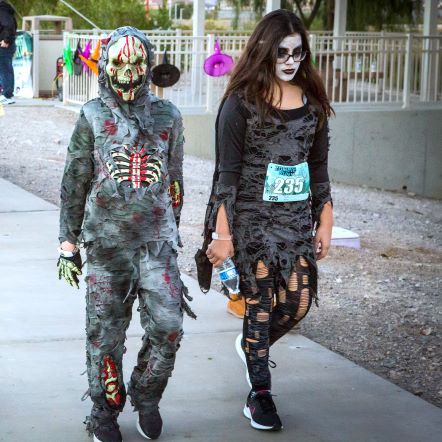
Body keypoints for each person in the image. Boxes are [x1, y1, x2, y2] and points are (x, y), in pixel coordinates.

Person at [57, 27, 194, 442]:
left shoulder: (169, 116)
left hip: (156, 245)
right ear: (106, 66)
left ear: (148, 64)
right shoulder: (92, 115)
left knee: (169, 326)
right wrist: (67, 241)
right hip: (106, 246)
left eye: (136, 62)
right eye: (119, 62)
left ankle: (146, 395)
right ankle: (105, 411)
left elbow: (174, 180)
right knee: (104, 334)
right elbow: (75, 178)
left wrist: (168, 227)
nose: (128, 71)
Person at [199, 9, 334, 431]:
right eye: (282, 53)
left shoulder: (312, 109)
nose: (291, 61)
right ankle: (260, 394)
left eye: (298, 53)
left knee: (297, 302)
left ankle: (250, 345)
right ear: (264, 51)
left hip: (294, 224)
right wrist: (223, 235)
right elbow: (227, 176)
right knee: (258, 304)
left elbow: (319, 170)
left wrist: (324, 222)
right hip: (251, 220)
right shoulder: (240, 105)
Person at [0, 0, 16, 104]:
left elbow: (9, 26)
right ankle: (6, 94)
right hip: (4, 44)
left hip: (4, 45)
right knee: (4, 69)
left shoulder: (2, 10)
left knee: (5, 69)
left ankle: (7, 95)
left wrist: (6, 40)